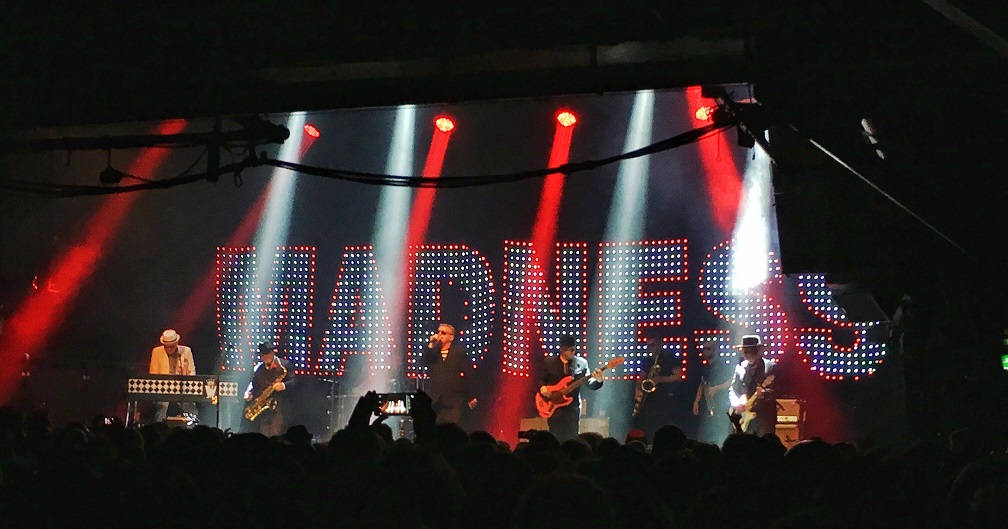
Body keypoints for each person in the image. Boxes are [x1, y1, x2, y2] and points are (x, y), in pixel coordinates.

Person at [539, 335, 604, 442]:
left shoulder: (581, 363)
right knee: (555, 438)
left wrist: (599, 380)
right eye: (570, 350)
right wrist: (543, 388)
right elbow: (541, 380)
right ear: (562, 349)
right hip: (554, 407)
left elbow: (589, 383)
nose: (573, 352)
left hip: (572, 408)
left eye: (574, 349)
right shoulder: (549, 362)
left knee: (572, 438)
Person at [423, 323, 477, 426]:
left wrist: (471, 396)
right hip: (435, 400)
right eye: (438, 332)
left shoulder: (459, 353)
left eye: (443, 333)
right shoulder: (433, 353)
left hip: (454, 401)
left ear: (451, 337)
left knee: (451, 429)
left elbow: (469, 375)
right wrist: (431, 343)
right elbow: (425, 361)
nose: (439, 335)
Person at [632, 338, 686, 438]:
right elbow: (641, 377)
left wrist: (660, 379)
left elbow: (679, 376)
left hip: (665, 396)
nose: (650, 348)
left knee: (663, 422)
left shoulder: (670, 359)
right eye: (648, 346)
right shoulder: (648, 361)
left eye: (652, 345)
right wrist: (637, 390)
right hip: (650, 397)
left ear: (660, 345)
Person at [727, 334, 777, 436]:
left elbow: (778, 389)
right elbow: (733, 389)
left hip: (763, 417)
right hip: (743, 416)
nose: (749, 354)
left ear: (759, 350)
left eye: (752, 350)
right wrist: (736, 403)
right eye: (746, 351)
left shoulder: (770, 366)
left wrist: (763, 394)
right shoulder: (740, 367)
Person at [243, 342, 296, 437]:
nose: (265, 357)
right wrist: (251, 394)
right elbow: (255, 385)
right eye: (263, 355)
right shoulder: (259, 369)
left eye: (267, 354)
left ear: (273, 353)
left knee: (276, 435)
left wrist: (283, 385)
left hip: (280, 408)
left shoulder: (284, 365)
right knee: (264, 435)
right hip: (264, 409)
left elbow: (294, 382)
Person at [148, 329, 195, 422]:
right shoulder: (157, 352)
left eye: (171, 347)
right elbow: (153, 375)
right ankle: (159, 427)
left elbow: (192, 373)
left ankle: (191, 428)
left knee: (189, 405)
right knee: (162, 405)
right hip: (163, 389)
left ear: (177, 343)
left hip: (182, 389)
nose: (169, 349)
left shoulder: (186, 351)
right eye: (166, 347)